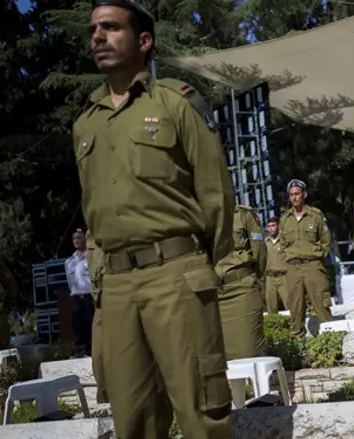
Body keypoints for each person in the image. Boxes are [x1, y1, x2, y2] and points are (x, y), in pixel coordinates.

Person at [75, 1, 235, 438]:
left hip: (175, 274)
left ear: (144, 40)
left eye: (111, 27)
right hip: (117, 287)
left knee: (202, 411)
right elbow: (94, 210)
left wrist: (198, 263)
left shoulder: (175, 104)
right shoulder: (86, 124)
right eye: (93, 30)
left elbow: (216, 193)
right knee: (133, 419)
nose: (98, 37)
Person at [279, 179, 333, 337]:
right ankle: (297, 340)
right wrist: (289, 259)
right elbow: (282, 245)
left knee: (321, 304)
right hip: (293, 268)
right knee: (295, 307)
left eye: (297, 194)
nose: (294, 198)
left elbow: (326, 241)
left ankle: (331, 338)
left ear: (305, 194)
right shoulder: (284, 219)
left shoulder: (315, 215)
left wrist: (317, 257)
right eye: (291, 195)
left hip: (313, 266)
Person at [215, 205, 266, 359]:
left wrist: (251, 277)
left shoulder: (243, 215)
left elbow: (260, 253)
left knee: (248, 352)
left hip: (241, 290)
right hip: (213, 294)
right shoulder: (198, 216)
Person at [85, 230, 108, 404]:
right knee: (99, 358)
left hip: (128, 285)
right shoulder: (92, 231)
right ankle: (106, 404)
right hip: (102, 298)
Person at [65, 228, 95, 356]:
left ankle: (93, 350)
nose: (76, 240)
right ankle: (81, 351)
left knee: (91, 324)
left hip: (89, 296)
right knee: (78, 325)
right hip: (77, 297)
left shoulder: (91, 257)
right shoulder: (69, 261)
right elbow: (70, 281)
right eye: (74, 238)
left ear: (85, 239)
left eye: (79, 237)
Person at [264, 217, 289, 313]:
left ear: (278, 226)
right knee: (271, 306)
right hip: (270, 278)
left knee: (289, 304)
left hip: (284, 277)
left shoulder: (285, 241)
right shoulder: (265, 242)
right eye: (268, 226)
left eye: (273, 226)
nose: (271, 228)